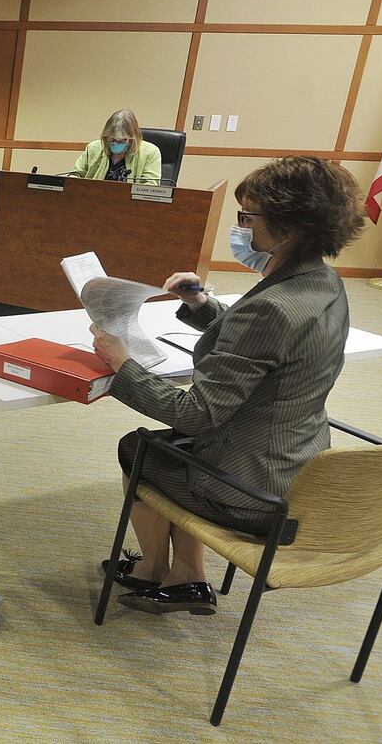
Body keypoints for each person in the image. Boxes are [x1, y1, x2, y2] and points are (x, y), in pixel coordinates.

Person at [89, 156, 363, 615]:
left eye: (248, 218)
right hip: (297, 462)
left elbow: (195, 412)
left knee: (138, 450)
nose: (241, 229)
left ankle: (157, 571)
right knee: (175, 448)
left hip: (253, 489)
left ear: (287, 227)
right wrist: (200, 304)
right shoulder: (323, 283)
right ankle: (188, 578)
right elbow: (263, 347)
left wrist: (122, 367)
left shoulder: (272, 306)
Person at [73, 109, 162, 183]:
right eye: (112, 139)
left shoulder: (150, 152)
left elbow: (150, 186)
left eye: (121, 141)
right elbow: (75, 174)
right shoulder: (93, 148)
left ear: (132, 138)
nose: (115, 143)